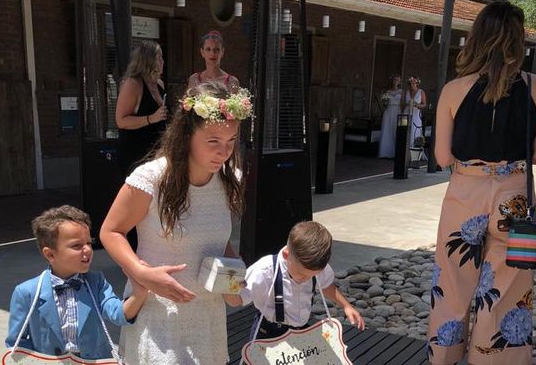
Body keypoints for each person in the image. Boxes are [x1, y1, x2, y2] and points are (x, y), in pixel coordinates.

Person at [100, 82, 253, 365]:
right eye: (213, 142)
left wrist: (234, 281)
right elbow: (111, 231)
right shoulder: (152, 179)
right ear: (186, 135)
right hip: (160, 315)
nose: (224, 152)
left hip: (207, 316)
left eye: (231, 141)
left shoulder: (229, 178)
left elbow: (218, 242)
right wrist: (140, 273)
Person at [427, 0, 536, 365]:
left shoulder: (454, 90)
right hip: (515, 197)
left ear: (477, 38)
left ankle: (444, 358)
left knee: (452, 285)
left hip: (465, 190)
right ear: (518, 41)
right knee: (507, 287)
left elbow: (442, 158)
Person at [5, 205, 147, 360]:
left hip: (93, 360)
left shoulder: (96, 282)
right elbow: (17, 342)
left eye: (89, 242)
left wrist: (139, 294)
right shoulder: (27, 292)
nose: (87, 249)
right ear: (50, 254)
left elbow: (117, 313)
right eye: (77, 246)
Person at [230, 221, 364, 340]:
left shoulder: (315, 267)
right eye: (301, 274)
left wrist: (346, 305)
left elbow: (326, 285)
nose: (305, 279)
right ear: (286, 254)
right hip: (270, 333)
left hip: (301, 331)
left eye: (311, 276)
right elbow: (237, 300)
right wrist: (229, 284)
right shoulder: (265, 271)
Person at [116, 40, 168, 176]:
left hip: (156, 153)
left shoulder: (159, 84)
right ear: (148, 60)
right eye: (159, 57)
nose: (163, 61)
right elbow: (121, 121)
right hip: (136, 154)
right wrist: (151, 118)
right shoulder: (133, 84)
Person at [378, 74, 403, 158]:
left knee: (395, 130)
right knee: (387, 130)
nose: (395, 81)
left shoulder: (401, 92)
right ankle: (385, 152)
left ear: (399, 81)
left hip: (397, 111)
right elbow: (384, 103)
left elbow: (403, 103)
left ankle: (395, 153)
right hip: (389, 111)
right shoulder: (388, 92)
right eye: (394, 79)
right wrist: (384, 102)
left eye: (397, 80)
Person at [403, 75, 426, 148]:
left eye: (413, 83)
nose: (411, 85)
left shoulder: (421, 92)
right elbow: (403, 103)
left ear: (417, 83)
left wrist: (417, 105)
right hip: (406, 113)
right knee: (405, 131)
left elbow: (424, 104)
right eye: (410, 83)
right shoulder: (407, 92)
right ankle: (404, 150)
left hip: (416, 114)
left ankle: (414, 151)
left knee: (414, 130)